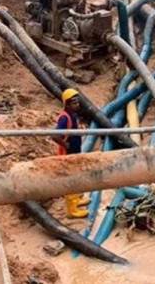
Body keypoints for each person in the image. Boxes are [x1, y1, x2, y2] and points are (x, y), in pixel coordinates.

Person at [54, 89, 89, 218]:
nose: (77, 105)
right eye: (74, 103)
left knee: (76, 175)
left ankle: (76, 200)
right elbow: (55, 135)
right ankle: (71, 210)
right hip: (68, 152)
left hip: (75, 150)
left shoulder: (72, 115)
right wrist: (66, 145)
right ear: (67, 104)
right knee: (71, 179)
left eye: (77, 102)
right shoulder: (64, 117)